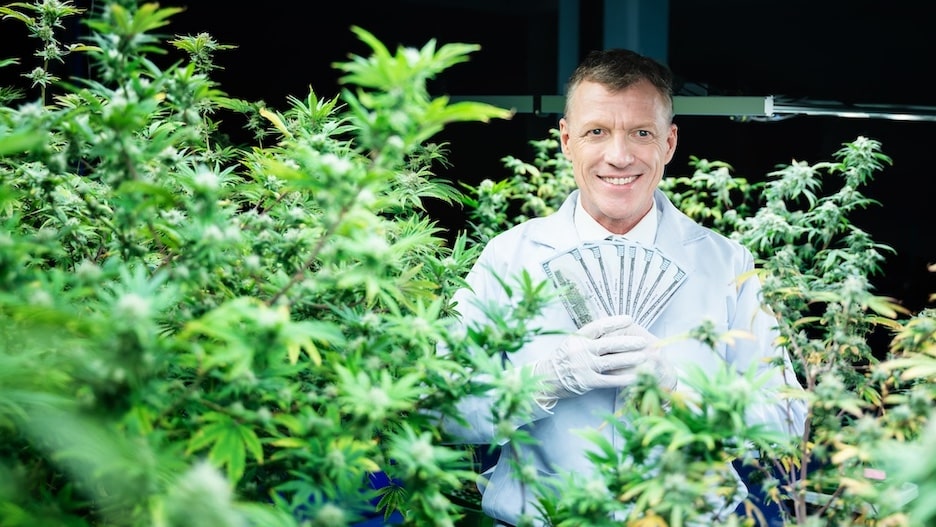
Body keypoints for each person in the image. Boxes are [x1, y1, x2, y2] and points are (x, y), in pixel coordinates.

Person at [441, 48, 808, 526]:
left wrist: (680, 390)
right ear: (567, 140)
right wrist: (543, 381)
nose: (619, 156)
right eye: (597, 132)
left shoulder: (724, 263)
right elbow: (445, 411)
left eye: (641, 133)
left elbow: (788, 422)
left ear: (669, 143)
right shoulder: (510, 258)